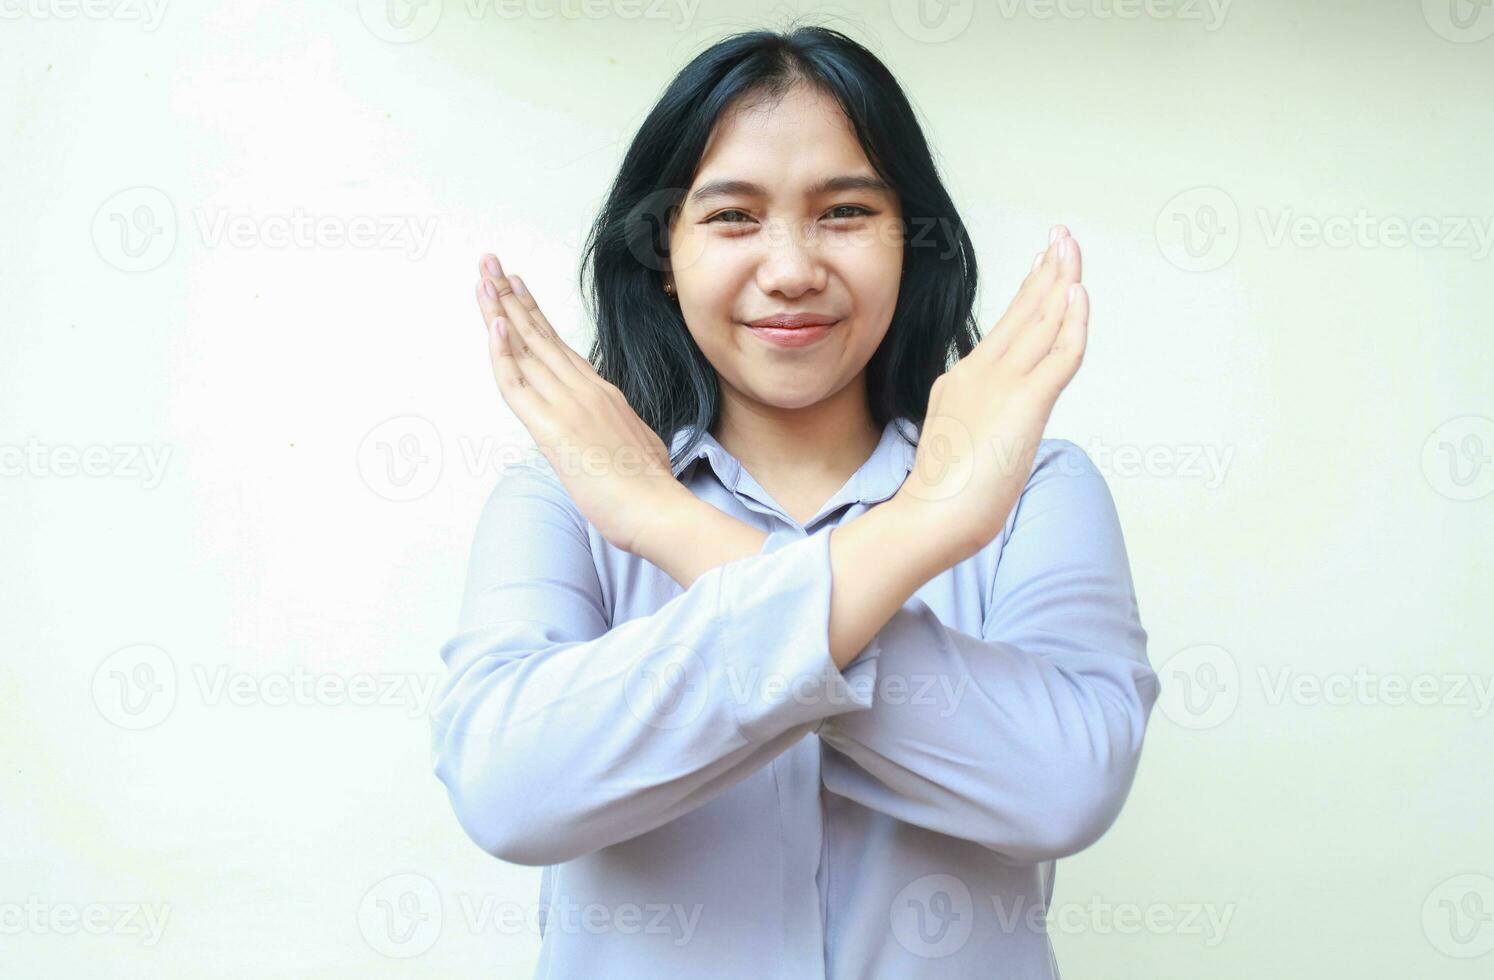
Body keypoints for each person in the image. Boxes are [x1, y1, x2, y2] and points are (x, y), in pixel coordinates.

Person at [430, 24, 1159, 979]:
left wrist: (677, 532)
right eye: (732, 217)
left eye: (846, 212)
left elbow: (1061, 788)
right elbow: (509, 789)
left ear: (912, 240)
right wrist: (915, 534)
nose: (790, 269)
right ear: (663, 252)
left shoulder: (1034, 491)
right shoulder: (568, 496)